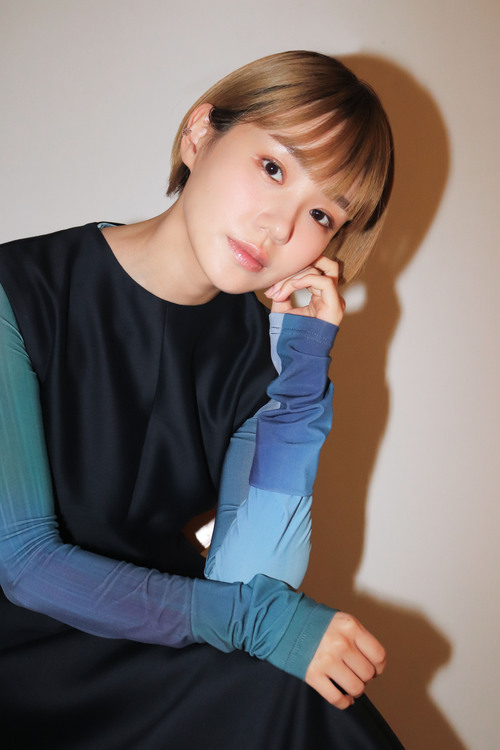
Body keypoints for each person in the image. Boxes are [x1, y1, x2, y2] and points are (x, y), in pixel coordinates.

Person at [0, 51, 402, 748]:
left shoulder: (260, 365)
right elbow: (23, 561)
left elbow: (251, 581)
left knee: (291, 690)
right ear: (199, 135)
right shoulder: (18, 288)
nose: (280, 228)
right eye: (273, 167)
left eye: (320, 213)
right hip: (22, 652)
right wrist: (256, 621)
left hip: (155, 646)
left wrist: (301, 377)